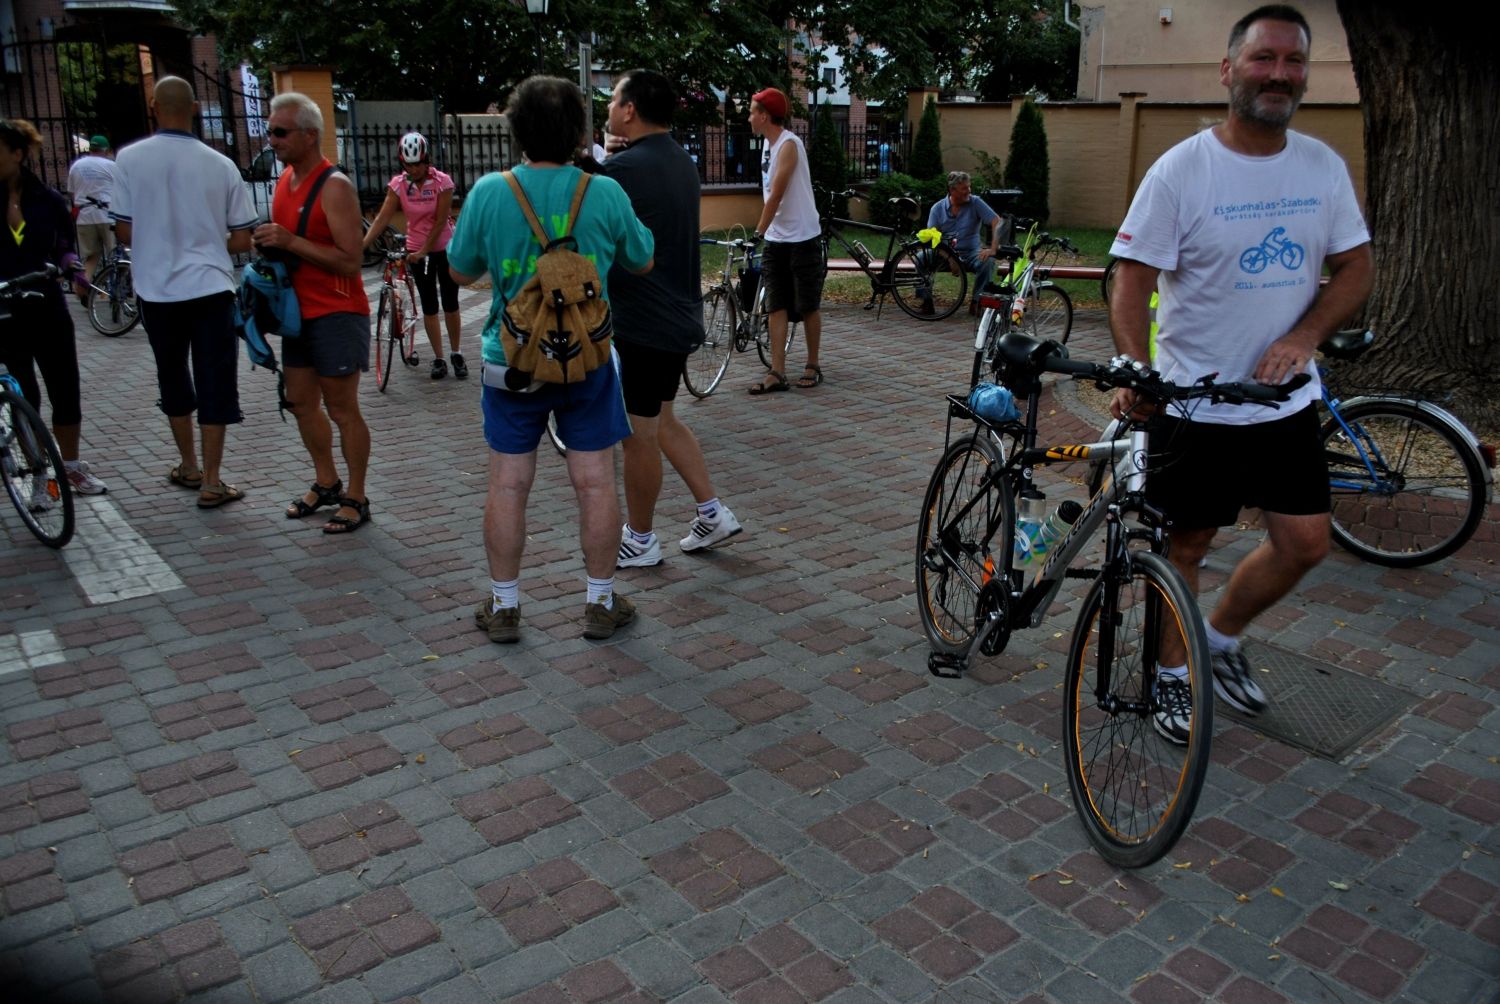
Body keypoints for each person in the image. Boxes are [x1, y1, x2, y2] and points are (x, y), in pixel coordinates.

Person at [1108, 4, 1373, 744]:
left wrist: (1307, 333)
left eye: (1293, 61)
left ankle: (1217, 638)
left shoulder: (1321, 167)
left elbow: (1356, 265)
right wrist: (1138, 367)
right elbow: (1131, 278)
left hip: (1283, 405)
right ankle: (1170, 675)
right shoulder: (1182, 170)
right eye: (1264, 58)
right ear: (1229, 70)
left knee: (1305, 544)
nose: (1279, 74)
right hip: (1194, 405)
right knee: (1185, 549)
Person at [447, 75, 653, 644]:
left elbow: (459, 270)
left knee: (509, 483)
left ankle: (505, 606)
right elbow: (642, 258)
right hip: (586, 360)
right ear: (579, 134)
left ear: (515, 131)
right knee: (595, 482)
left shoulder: (490, 192)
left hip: (510, 362)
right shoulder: (603, 192)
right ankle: (600, 602)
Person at [600, 69, 743, 568]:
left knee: (638, 435)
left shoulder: (622, 170)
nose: (609, 106)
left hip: (642, 322)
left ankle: (639, 539)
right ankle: (712, 513)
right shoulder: (681, 160)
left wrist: (604, 160)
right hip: (677, 315)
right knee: (663, 421)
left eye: (613, 99)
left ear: (630, 109)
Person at [112, 77, 258, 509]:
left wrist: (161, 238)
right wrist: (207, 239)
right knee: (215, 379)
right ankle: (213, 480)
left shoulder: (128, 159)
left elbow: (124, 231)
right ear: (194, 108)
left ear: (153, 105)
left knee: (172, 374)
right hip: (211, 287)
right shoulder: (221, 164)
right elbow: (243, 238)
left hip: (157, 291)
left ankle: (188, 465)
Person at [253, 92, 373, 534]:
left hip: (337, 312)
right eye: (270, 131)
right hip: (297, 315)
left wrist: (290, 242)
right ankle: (327, 482)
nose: (272, 139)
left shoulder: (334, 186)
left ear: (309, 135)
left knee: (343, 409)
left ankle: (357, 496)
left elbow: (351, 260)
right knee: (300, 402)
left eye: (280, 132)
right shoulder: (285, 179)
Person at [0, 117, 107, 498]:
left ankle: (71, 466)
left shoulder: (47, 199)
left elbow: (62, 244)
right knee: (23, 394)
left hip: (45, 303)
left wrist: (72, 265)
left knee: (65, 388)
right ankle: (37, 473)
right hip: (4, 310)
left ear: (18, 153)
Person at [361, 131, 466, 380]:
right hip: (416, 250)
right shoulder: (399, 185)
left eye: (418, 164)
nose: (414, 169)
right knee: (429, 305)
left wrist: (424, 250)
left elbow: (440, 221)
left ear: (427, 160)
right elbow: (383, 217)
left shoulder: (442, 182)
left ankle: (456, 353)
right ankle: (439, 358)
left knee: (450, 303)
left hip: (443, 247)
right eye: (409, 165)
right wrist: (363, 244)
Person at [746, 86, 825, 394]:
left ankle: (813, 364)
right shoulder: (767, 145)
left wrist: (757, 233)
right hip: (777, 238)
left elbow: (777, 193)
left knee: (807, 304)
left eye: (752, 112)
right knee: (775, 303)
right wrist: (767, 233)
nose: (749, 118)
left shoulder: (789, 145)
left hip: (802, 236)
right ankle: (777, 371)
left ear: (764, 116)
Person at [924, 170, 1003, 316]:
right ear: (952, 190)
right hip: (944, 254)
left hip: (971, 253)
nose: (969, 191)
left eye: (969, 187)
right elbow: (931, 238)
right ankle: (926, 301)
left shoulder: (975, 202)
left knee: (988, 261)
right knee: (921, 257)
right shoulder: (937, 208)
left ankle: (977, 302)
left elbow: (996, 221)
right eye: (964, 188)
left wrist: (993, 248)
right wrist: (950, 258)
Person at [67, 134, 115, 280]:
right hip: (107, 215)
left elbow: (72, 193)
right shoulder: (111, 165)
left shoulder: (76, 166)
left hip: (84, 217)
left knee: (91, 258)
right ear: (106, 150)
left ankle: (82, 286)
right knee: (115, 256)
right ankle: (118, 287)